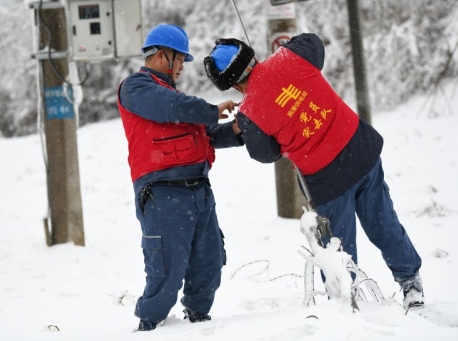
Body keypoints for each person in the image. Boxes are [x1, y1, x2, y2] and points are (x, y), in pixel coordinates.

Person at [203, 33, 424, 309]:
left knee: (335, 249)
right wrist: (283, 55)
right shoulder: (291, 56)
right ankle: (411, 284)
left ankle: (344, 304)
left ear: (233, 86)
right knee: (383, 224)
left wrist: (249, 123)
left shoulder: (249, 112)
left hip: (327, 180)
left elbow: (266, 153)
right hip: (361, 150)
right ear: (252, 55)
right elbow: (313, 41)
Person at [118, 24, 243, 331]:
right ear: (163, 56)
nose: (182, 68)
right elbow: (171, 107)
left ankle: (198, 321)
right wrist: (212, 110)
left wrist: (240, 131)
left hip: (199, 190)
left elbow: (207, 135)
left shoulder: (179, 101)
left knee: (209, 261)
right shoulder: (136, 88)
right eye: (180, 60)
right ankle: (149, 325)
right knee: (167, 267)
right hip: (163, 193)